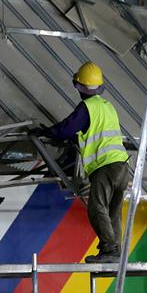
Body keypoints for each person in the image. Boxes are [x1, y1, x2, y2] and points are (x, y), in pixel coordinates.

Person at [32, 61, 129, 263]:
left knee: (97, 207)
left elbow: (65, 129)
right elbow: (97, 133)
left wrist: (44, 132)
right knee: (113, 212)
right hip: (121, 166)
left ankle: (109, 250)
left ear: (79, 86)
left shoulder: (87, 107)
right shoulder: (108, 106)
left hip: (105, 168)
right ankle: (116, 254)